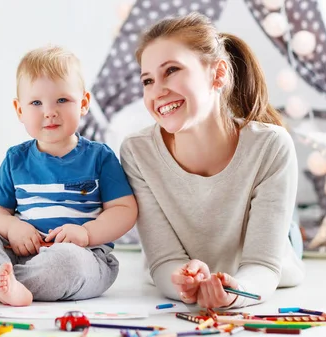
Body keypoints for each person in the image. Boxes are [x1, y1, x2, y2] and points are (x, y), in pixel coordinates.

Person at [119, 12, 305, 309]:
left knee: (287, 234)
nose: (157, 91)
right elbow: (165, 260)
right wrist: (184, 283)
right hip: (200, 250)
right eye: (148, 80)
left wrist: (237, 291)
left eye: (172, 71)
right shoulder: (136, 152)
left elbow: (263, 264)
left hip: (266, 252)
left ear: (217, 74)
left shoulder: (271, 144)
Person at [0, 45, 138, 306]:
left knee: (66, 263)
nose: (49, 111)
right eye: (36, 103)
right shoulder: (16, 159)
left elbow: (124, 209)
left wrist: (86, 234)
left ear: (83, 103)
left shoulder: (99, 156)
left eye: (62, 100)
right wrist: (13, 227)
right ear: (19, 110)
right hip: (21, 254)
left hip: (85, 257)